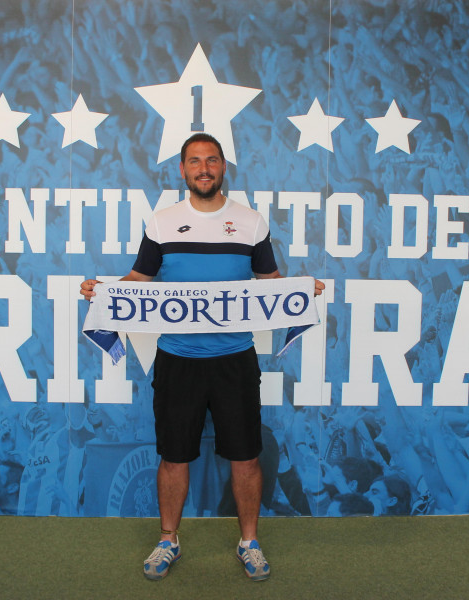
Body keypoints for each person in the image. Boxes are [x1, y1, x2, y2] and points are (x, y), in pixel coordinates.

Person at [80, 133, 324, 582]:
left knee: (246, 455)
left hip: (235, 359)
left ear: (223, 167)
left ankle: (249, 541)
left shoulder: (251, 223)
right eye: (195, 161)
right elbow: (139, 277)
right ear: (182, 169)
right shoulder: (162, 222)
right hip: (177, 359)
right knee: (174, 456)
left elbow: (269, 279)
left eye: (211, 160)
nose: (204, 168)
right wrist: (106, 290)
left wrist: (299, 293)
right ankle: (167, 540)